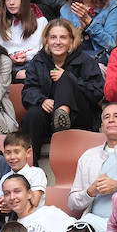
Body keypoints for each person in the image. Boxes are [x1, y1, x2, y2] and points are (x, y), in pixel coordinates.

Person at [21, 18, 105, 146]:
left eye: (63, 38)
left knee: (65, 77)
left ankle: (62, 115)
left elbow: (97, 92)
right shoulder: (38, 61)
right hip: (48, 117)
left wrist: (69, 78)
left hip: (80, 116)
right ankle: (31, 161)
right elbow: (28, 91)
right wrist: (41, 100)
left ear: (71, 41)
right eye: (53, 37)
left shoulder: (85, 61)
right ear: (47, 40)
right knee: (32, 115)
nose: (58, 42)